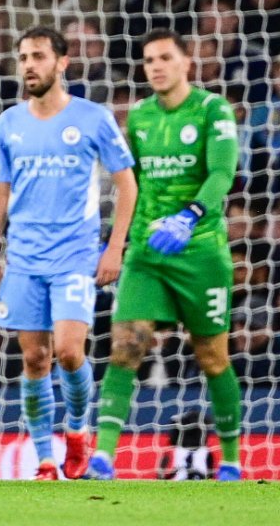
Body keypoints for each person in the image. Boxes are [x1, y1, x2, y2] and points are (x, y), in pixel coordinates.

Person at [0, 26, 138, 480]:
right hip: (25, 259)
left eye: (38, 56)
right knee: (34, 359)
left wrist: (114, 249)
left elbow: (127, 185)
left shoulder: (92, 117)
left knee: (69, 352)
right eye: (23, 56)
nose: (29, 64)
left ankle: (76, 430)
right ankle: (45, 459)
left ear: (61, 63)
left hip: (74, 256)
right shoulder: (10, 121)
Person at [86, 29, 243, 482]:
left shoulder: (213, 110)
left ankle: (231, 459)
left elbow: (222, 172)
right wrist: (117, 238)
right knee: (126, 346)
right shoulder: (139, 116)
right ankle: (103, 458)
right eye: (148, 60)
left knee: (213, 357)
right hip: (147, 252)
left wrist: (189, 216)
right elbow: (128, 180)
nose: (155, 66)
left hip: (200, 252)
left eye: (164, 58)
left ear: (185, 62)